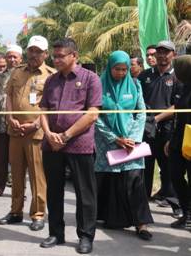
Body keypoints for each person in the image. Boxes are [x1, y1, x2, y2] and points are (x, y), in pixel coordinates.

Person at [39, 38, 101, 254]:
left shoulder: (90, 79)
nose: (56, 59)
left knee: (85, 192)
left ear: (74, 55)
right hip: (52, 145)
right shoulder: (50, 81)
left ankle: (85, 236)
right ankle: (56, 233)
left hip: (79, 144)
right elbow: (44, 110)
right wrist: (48, 134)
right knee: (54, 191)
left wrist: (65, 136)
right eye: (54, 56)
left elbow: (92, 114)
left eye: (60, 56)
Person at [94, 51, 153, 240]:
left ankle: (141, 224)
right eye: (117, 69)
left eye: (124, 69)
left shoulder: (135, 85)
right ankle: (111, 218)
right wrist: (115, 138)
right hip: (107, 142)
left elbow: (141, 112)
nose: (121, 73)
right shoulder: (98, 86)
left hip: (131, 142)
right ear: (109, 67)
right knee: (109, 179)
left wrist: (133, 138)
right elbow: (95, 117)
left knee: (135, 180)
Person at [0, 37, 54, 232]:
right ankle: (15, 211)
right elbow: (9, 98)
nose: (33, 54)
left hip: (36, 133)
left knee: (37, 176)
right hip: (15, 132)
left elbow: (51, 107)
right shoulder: (16, 72)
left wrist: (36, 124)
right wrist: (10, 117)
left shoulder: (51, 76)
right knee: (16, 174)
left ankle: (38, 214)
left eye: (38, 51)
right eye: (31, 50)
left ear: (46, 54)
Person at [138, 41, 182, 216]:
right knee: (144, 168)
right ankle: (141, 209)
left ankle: (177, 206)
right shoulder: (145, 75)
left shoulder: (179, 76)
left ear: (174, 55)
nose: (162, 55)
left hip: (167, 130)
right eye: (159, 52)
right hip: (146, 130)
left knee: (169, 169)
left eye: (166, 52)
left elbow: (177, 105)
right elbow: (137, 99)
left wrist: (156, 119)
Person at [0, 45, 23, 199]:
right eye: (10, 56)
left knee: (18, 161)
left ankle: (18, 189)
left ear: (21, 58)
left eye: (15, 57)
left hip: (19, 125)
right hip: (0, 124)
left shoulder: (25, 76)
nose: (12, 59)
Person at [168, 55, 191, 230]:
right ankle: (187, 211)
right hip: (179, 139)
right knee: (175, 175)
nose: (176, 72)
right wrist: (171, 140)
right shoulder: (183, 88)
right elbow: (178, 116)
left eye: (179, 68)